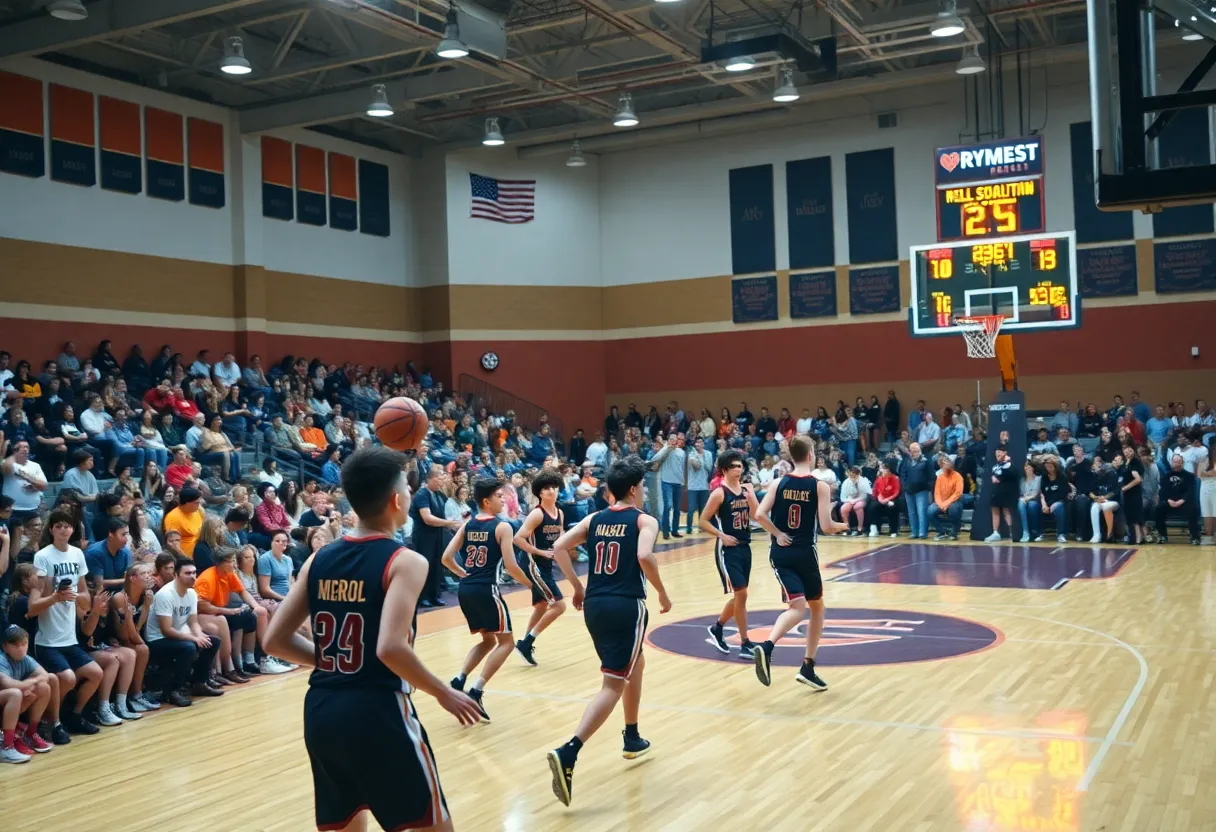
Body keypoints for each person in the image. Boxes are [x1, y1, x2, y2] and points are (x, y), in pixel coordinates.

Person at [262, 445, 480, 832]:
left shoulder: (319, 558)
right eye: (408, 491)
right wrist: (443, 692)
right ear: (397, 500)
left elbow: (274, 641)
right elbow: (390, 647)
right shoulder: (406, 561)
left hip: (322, 711)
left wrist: (333, 660)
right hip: (378, 712)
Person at [546, 456, 670, 807]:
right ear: (633, 489)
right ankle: (569, 751)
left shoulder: (593, 518)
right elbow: (645, 556)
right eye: (643, 486)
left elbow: (558, 548)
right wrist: (661, 590)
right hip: (626, 605)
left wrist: (577, 587)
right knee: (613, 682)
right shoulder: (645, 520)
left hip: (596, 606)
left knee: (636, 662)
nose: (644, 491)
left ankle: (631, 735)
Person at [752, 435, 847, 692]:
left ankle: (782, 654)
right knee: (813, 608)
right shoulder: (820, 486)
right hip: (805, 553)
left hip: (780, 553)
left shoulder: (778, 482)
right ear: (810, 454)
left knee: (800, 605)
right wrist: (843, 524)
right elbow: (826, 527)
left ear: (792, 457)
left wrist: (777, 533)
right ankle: (800, 661)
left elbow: (759, 514)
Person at [441, 477, 532, 722]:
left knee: (487, 640)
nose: (503, 500)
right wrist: (531, 585)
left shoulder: (467, 525)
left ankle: (459, 679)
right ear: (486, 501)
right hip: (486, 590)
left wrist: (464, 575)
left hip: (466, 589)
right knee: (507, 643)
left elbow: (446, 558)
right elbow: (512, 567)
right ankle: (477, 690)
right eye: (498, 497)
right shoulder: (502, 527)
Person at [28, 509, 104, 737]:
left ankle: (74, 715)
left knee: (95, 673)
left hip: (69, 637)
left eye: (67, 526)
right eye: (58, 525)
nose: (63, 529)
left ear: (73, 529)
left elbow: (85, 597)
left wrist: (77, 597)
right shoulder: (42, 557)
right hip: (48, 640)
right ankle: (54, 722)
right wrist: (55, 597)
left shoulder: (78, 554)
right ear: (51, 529)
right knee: (68, 678)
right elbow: (33, 607)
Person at [700, 450, 760, 661]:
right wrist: (721, 534)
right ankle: (745, 643)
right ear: (724, 470)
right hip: (727, 548)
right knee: (741, 594)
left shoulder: (745, 490)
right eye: (734, 466)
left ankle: (718, 628)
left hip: (745, 546)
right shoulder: (719, 493)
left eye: (740, 465)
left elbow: (756, 515)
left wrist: (752, 497)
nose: (739, 469)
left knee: (740, 596)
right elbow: (703, 520)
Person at [144, 557, 221, 707]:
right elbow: (166, 630)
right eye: (187, 573)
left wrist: (199, 635)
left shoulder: (191, 593)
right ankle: (173, 691)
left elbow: (193, 622)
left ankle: (199, 683)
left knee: (213, 641)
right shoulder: (165, 594)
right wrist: (192, 639)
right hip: (157, 640)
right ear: (176, 575)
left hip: (176, 636)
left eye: (194, 573)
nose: (193, 576)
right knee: (189, 647)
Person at [511, 470, 567, 667]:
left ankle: (524, 643)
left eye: (554, 487)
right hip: (533, 564)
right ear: (540, 493)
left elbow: (560, 538)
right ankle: (527, 642)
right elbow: (517, 538)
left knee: (542, 605)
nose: (551, 491)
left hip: (545, 565)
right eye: (546, 488)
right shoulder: (537, 514)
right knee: (559, 606)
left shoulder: (559, 513)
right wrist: (540, 552)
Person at [0, 624, 55, 762]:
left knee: (44, 688)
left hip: (7, 705)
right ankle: (6, 747)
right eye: (16, 645)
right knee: (15, 693)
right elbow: (11, 685)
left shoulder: (25, 659)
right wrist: (29, 684)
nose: (21, 648)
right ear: (5, 646)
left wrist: (29, 684)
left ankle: (30, 733)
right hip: (6, 701)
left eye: (24, 644)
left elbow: (45, 675)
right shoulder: (1, 660)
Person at [410, 465, 461, 608]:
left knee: (437, 565)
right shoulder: (422, 494)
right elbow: (427, 518)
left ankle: (435, 595)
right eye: (438, 479)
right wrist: (449, 523)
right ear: (430, 479)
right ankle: (423, 597)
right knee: (425, 565)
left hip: (438, 534)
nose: (441, 482)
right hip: (424, 536)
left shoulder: (439, 495)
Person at [1157, 454, 1201, 545]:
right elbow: (1162, 491)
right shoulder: (1166, 476)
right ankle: (1162, 536)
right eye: (1174, 462)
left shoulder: (1189, 476)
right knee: (1158, 509)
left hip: (1184, 502)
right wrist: (1169, 500)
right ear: (1171, 463)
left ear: (1182, 463)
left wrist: (1181, 501)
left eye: (1178, 462)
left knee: (1193, 509)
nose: (1176, 464)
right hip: (1170, 501)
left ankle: (1195, 537)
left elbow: (1190, 491)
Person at [984, 447, 1019, 543]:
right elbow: (994, 476)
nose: (997, 455)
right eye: (996, 453)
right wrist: (994, 477)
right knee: (994, 509)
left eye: (999, 453)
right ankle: (995, 533)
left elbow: (1014, 474)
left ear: (1005, 453)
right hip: (996, 491)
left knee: (1006, 511)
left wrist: (1000, 477)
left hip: (1007, 491)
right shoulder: (995, 466)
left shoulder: (1009, 465)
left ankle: (1013, 533)